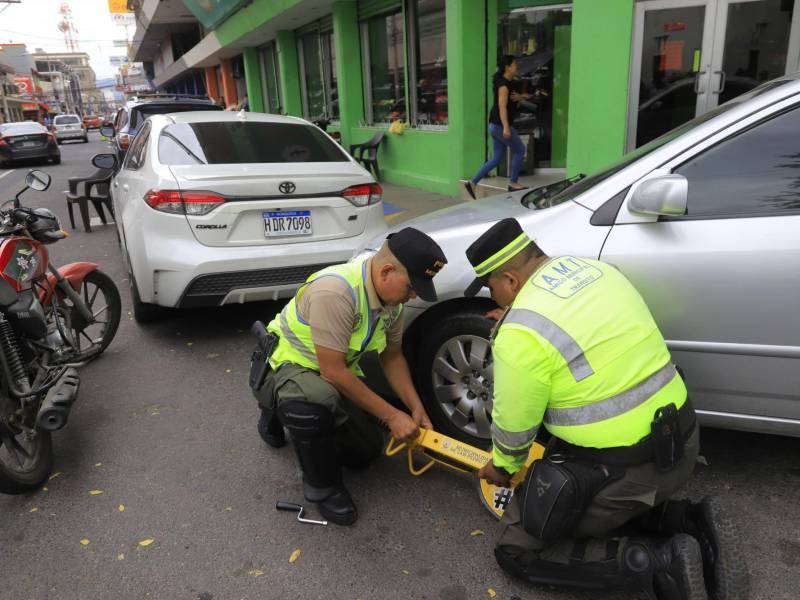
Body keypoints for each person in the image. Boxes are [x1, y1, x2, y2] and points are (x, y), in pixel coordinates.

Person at [464, 218, 746, 600]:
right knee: (607, 489)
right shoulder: (598, 272)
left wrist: (501, 468)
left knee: (517, 549)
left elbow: (515, 429)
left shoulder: (521, 333)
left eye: (491, 286)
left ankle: (659, 565)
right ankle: (689, 521)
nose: (492, 296)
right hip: (684, 440)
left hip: (629, 475)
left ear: (511, 280)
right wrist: (517, 322)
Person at [253, 228, 447, 526]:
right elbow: (333, 371)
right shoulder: (337, 292)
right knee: (314, 402)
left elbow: (392, 356)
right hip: (288, 367)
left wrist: (414, 407)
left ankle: (293, 412)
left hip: (330, 372)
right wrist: (393, 417)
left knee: (365, 453)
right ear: (385, 271)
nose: (414, 295)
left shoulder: (390, 303)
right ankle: (322, 487)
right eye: (411, 287)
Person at [465, 55, 528, 199]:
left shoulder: (507, 82)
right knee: (520, 150)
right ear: (507, 67)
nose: (516, 66)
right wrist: (506, 127)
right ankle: (513, 182)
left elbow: (513, 101)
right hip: (500, 125)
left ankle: (472, 183)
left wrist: (521, 98)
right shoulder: (503, 86)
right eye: (514, 64)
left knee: (497, 158)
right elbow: (502, 107)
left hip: (494, 125)